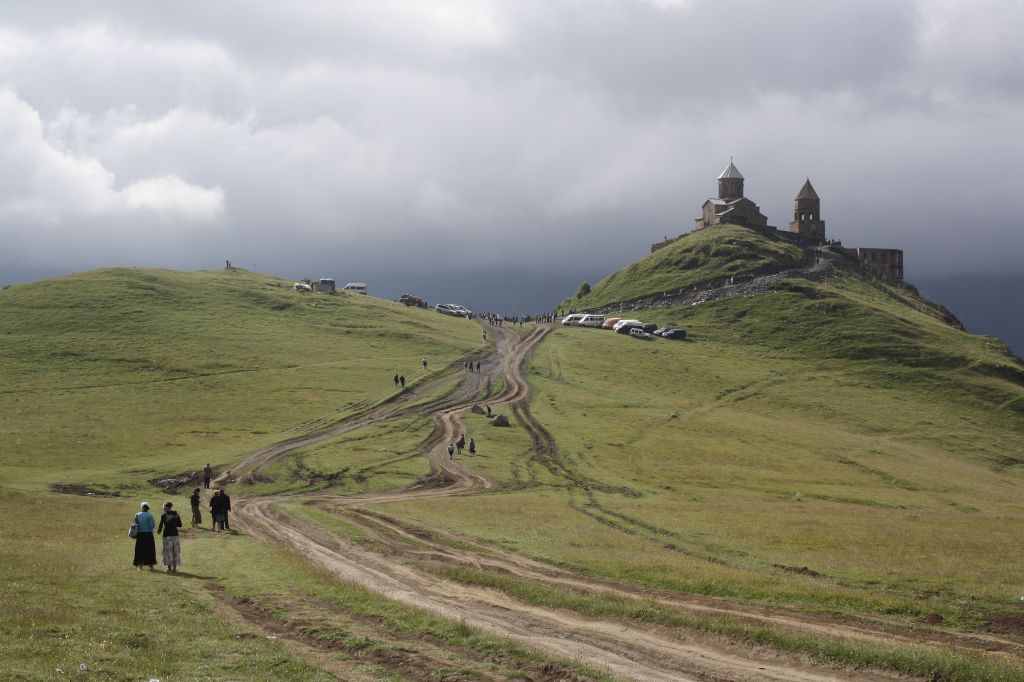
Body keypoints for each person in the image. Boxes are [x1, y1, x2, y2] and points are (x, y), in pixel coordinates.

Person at [158, 502, 183, 573]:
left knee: (168, 552)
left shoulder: (163, 515)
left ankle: (169, 569)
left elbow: (160, 525)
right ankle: (174, 568)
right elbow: (180, 525)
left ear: (166, 507)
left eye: (164, 507)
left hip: (167, 535)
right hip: (175, 535)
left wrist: (159, 531)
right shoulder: (176, 514)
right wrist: (174, 523)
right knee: (175, 551)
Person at [132, 502, 157, 570]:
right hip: (148, 535)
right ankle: (151, 566)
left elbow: (134, 524)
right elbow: (152, 526)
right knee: (150, 550)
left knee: (140, 550)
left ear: (142, 508)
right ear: (148, 508)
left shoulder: (137, 515)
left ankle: (140, 566)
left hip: (140, 535)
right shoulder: (150, 515)